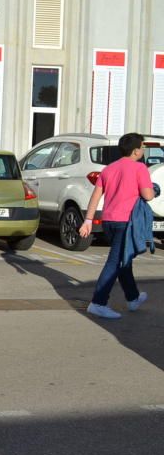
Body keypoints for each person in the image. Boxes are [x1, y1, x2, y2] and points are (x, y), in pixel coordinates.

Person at [79, 132, 155, 319]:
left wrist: (88, 220)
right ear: (136, 151)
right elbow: (148, 195)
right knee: (115, 262)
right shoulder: (140, 169)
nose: (144, 150)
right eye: (143, 147)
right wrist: (155, 189)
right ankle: (98, 302)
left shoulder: (109, 168)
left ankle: (133, 298)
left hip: (109, 221)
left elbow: (96, 195)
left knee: (123, 261)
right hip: (125, 223)